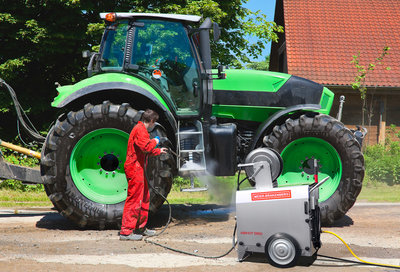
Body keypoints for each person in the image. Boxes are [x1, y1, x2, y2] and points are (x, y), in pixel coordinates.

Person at [120, 109, 168, 241]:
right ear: (151, 121)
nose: (154, 125)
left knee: (144, 197)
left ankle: (140, 227)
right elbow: (147, 147)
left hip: (138, 167)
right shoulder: (140, 129)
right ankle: (126, 232)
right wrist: (156, 141)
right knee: (134, 199)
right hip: (134, 168)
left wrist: (158, 151)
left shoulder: (141, 130)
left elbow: (145, 149)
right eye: (154, 122)